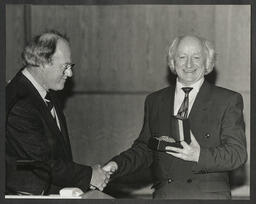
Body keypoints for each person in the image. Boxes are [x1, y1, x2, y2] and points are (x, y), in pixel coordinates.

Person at [103, 35, 247, 199]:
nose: (189, 64)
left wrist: (199, 155)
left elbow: (237, 154)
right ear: (173, 61)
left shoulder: (227, 100)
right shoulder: (155, 101)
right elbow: (145, 148)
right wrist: (116, 165)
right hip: (166, 196)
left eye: (196, 57)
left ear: (208, 62)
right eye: (182, 57)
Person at [6, 30, 109, 195]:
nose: (70, 73)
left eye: (70, 66)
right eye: (65, 67)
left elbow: (58, 157)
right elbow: (40, 163)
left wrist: (88, 175)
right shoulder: (19, 101)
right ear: (43, 63)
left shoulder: (47, 92)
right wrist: (89, 175)